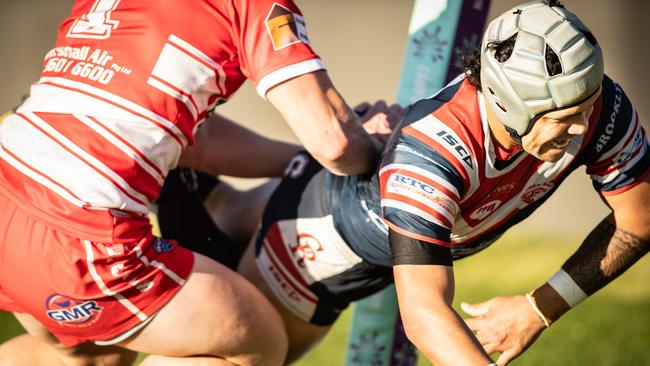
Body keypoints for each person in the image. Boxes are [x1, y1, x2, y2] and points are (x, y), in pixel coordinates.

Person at [146, 1, 645, 364]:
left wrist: (539, 308)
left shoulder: (599, 107)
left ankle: (188, 189)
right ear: (511, 102)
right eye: (565, 119)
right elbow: (425, 313)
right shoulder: (432, 154)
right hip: (313, 243)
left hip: (343, 202)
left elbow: (640, 219)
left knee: (226, 221)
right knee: (240, 356)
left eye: (588, 109)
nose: (583, 129)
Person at [0, 0, 402, 364]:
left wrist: (304, 160)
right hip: (78, 238)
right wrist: (376, 142)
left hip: (9, 202)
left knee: (93, 356)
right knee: (257, 340)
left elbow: (198, 141)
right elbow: (335, 144)